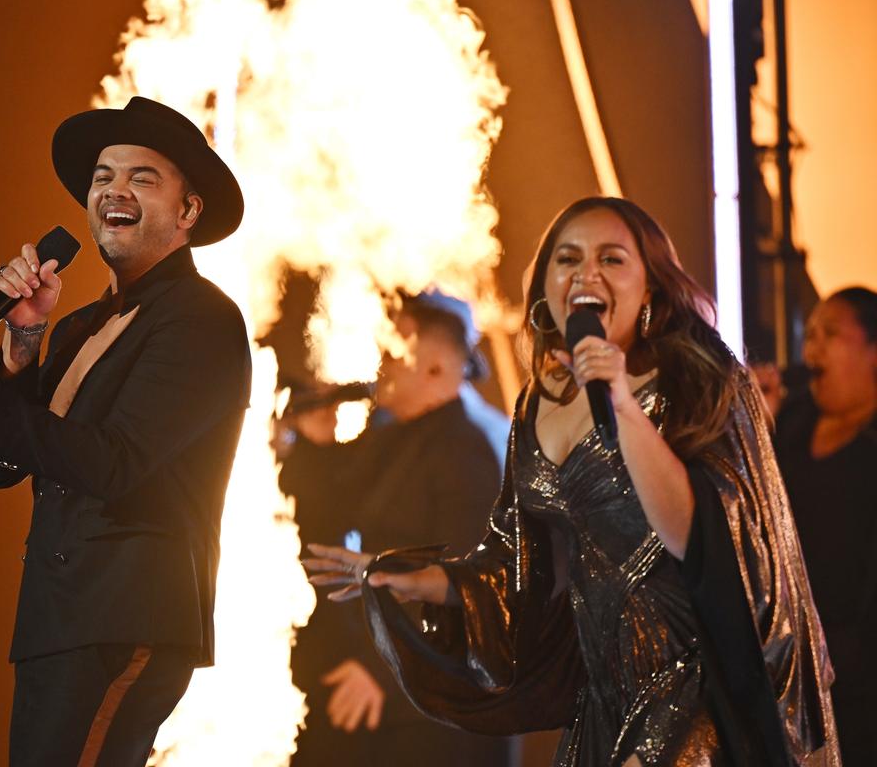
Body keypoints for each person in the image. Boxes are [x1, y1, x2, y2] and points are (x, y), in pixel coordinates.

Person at [305, 197, 841, 765]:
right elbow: (513, 566)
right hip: (602, 692)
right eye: (569, 259)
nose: (587, 274)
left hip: (695, 684)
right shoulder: (538, 404)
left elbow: (704, 539)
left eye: (611, 259)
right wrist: (418, 579)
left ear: (650, 287)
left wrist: (620, 400)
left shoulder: (700, 384)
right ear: (547, 289)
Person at [0, 96, 252, 765]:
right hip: (57, 618)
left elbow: (113, 463)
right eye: (103, 177)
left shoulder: (202, 319)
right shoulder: (77, 325)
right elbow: (1, 462)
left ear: (188, 212)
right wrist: (21, 342)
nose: (115, 190)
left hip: (125, 617)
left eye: (143, 177)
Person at [281, 290, 514, 766]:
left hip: (430, 708)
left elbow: (465, 588)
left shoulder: (466, 450)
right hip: (381, 687)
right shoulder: (389, 435)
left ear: (436, 369)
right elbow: (330, 529)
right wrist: (318, 449)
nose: (381, 359)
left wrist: (382, 669)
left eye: (394, 347)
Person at [772, 287, 877, 765]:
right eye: (809, 335)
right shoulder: (791, 421)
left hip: (855, 682)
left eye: (829, 335)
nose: (810, 351)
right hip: (781, 667)